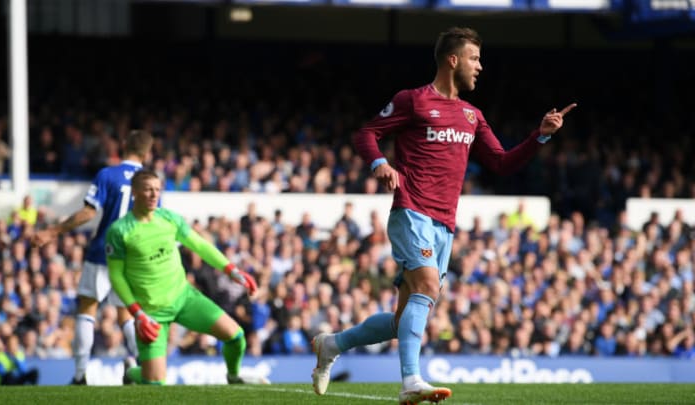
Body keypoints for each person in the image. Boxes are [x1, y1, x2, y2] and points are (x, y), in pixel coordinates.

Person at [311, 26, 575, 405]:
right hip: (411, 211)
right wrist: (380, 164)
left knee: (402, 320)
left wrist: (541, 136)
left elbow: (500, 163)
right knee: (428, 288)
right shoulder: (413, 101)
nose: (480, 67)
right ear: (453, 60)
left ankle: (331, 344)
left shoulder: (472, 116)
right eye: (474, 58)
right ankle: (411, 382)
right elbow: (366, 134)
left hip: (444, 225)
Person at [105, 169, 259, 385]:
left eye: (157, 189)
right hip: (151, 312)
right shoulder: (120, 231)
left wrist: (231, 269)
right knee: (156, 383)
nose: (153, 194)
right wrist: (137, 313)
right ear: (135, 193)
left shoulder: (169, 219)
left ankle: (234, 376)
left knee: (236, 336)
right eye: (148, 189)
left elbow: (200, 245)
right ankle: (131, 372)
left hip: (184, 298)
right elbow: (116, 275)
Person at [32, 129, 154, 385]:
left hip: (102, 252)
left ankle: (79, 375)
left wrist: (53, 231)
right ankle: (141, 366)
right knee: (126, 315)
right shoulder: (150, 183)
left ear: (123, 146)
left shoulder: (108, 174)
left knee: (87, 310)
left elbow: (88, 213)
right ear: (147, 152)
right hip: (131, 258)